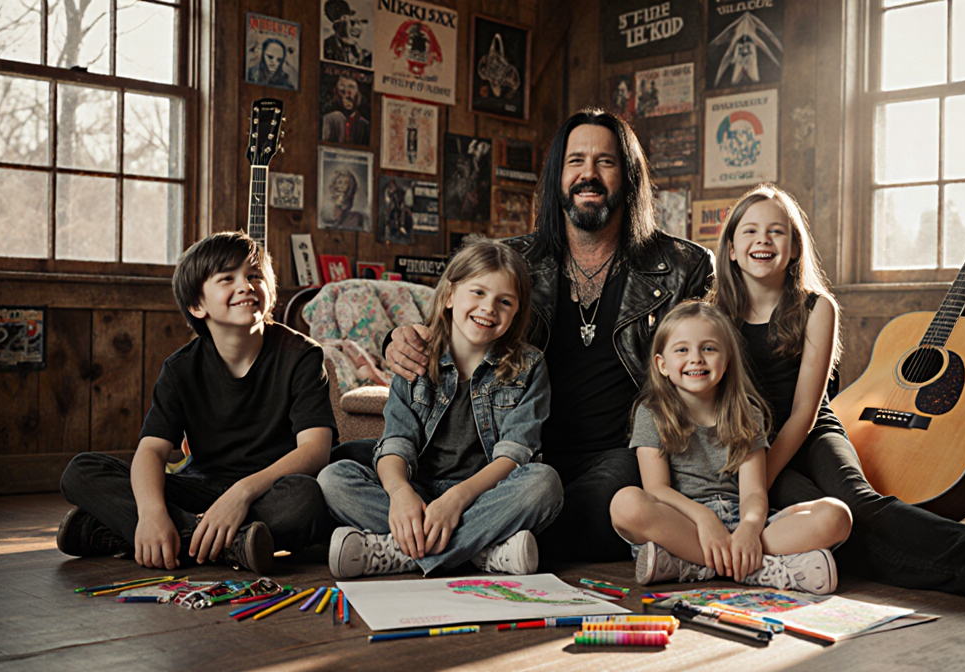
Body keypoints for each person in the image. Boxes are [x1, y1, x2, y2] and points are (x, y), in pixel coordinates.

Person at [709, 183, 965, 620]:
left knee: (861, 505)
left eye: (777, 231)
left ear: (795, 248)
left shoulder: (818, 308)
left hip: (810, 433)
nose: (763, 240)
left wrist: (757, 489)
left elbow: (805, 411)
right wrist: (750, 481)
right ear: (732, 249)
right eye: (750, 231)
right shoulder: (712, 315)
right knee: (839, 531)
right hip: (751, 451)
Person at [378, 109, 714, 561]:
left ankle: (412, 547)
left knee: (587, 511)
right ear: (558, 175)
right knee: (346, 468)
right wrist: (397, 339)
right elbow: (442, 325)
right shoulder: (515, 259)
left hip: (614, 453)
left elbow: (710, 355)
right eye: (575, 161)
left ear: (629, 176)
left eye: (605, 162)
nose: (588, 175)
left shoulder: (681, 266)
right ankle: (484, 545)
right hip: (506, 447)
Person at [56, 232, 337, 575]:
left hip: (268, 490)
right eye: (227, 278)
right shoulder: (181, 368)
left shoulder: (302, 356)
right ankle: (227, 544)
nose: (246, 285)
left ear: (270, 291)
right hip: (202, 486)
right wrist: (151, 513)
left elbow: (315, 451)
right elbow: (151, 451)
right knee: (81, 471)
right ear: (196, 305)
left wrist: (241, 493)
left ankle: (118, 534)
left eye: (254, 276)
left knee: (306, 500)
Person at [318, 240, 562, 578]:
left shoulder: (528, 365)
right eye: (477, 292)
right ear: (449, 295)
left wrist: (457, 500)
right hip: (419, 492)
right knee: (333, 479)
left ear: (517, 312)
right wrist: (400, 493)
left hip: (483, 497)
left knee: (544, 484)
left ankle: (399, 552)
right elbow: (396, 441)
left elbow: (514, 455)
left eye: (504, 301)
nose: (489, 308)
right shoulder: (415, 356)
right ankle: (481, 551)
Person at [609, 302, 850, 593]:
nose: (696, 359)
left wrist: (749, 529)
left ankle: (694, 565)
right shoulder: (652, 412)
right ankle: (760, 570)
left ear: (727, 360)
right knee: (625, 504)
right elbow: (657, 490)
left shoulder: (746, 413)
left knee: (837, 516)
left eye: (708, 349)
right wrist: (704, 517)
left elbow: (753, 493)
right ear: (662, 364)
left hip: (740, 522)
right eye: (682, 350)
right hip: (684, 525)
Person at [321, 74, 370, 145]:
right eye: (343, 87)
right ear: (335, 92)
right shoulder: (329, 119)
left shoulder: (364, 125)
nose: (348, 93)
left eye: (351, 87)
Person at [322, 0, 371, 67]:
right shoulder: (327, 47)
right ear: (336, 26)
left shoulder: (363, 54)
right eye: (352, 22)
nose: (358, 28)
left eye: (362, 23)